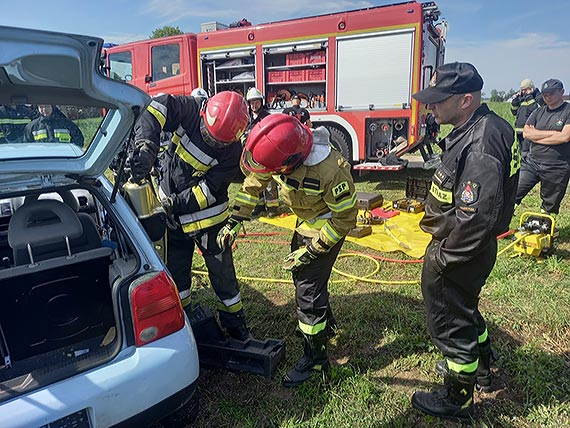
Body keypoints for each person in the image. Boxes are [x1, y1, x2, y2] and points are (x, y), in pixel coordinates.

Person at [410, 62, 520, 422]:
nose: (431, 107)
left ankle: (457, 397)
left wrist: (442, 259)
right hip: (468, 246)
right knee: (465, 308)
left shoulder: (483, 141)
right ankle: (485, 366)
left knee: (451, 323)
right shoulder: (477, 127)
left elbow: (477, 219)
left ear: (466, 100)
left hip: (461, 249)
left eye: (438, 100)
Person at [218, 114, 358, 387]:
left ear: (291, 162)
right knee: (304, 279)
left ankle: (316, 360)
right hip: (304, 225)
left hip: (328, 229)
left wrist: (313, 250)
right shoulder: (281, 149)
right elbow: (253, 185)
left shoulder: (330, 170)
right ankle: (324, 325)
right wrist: (236, 220)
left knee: (307, 291)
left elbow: (344, 220)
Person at [128, 90, 254, 341]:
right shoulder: (189, 108)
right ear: (204, 111)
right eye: (208, 133)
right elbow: (155, 110)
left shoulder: (232, 153)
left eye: (218, 141)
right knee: (176, 271)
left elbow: (207, 192)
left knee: (222, 275)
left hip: (209, 220)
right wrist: (146, 145)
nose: (211, 141)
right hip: (173, 218)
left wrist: (173, 204)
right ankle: (182, 320)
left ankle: (235, 325)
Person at [515, 79, 570, 215]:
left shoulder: (567, 111)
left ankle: (542, 226)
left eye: (551, 94)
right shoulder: (538, 112)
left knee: (549, 205)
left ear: (562, 92)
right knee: (513, 192)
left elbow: (564, 137)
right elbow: (527, 133)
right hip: (532, 163)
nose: (547, 97)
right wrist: (553, 135)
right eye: (545, 94)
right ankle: (502, 226)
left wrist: (537, 134)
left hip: (556, 167)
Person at [244, 87, 279, 218]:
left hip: (265, 155)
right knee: (255, 181)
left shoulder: (267, 117)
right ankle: (259, 206)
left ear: (261, 102)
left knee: (269, 182)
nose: (254, 105)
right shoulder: (246, 117)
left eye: (256, 102)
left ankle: (272, 208)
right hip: (251, 155)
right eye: (251, 102)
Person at [511, 79, 542, 157]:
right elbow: (514, 112)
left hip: (530, 134)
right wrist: (515, 101)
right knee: (522, 154)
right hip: (520, 133)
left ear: (531, 88)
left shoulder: (537, 97)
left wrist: (529, 97)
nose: (523, 92)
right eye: (522, 90)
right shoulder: (522, 98)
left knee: (528, 154)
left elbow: (534, 110)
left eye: (525, 89)